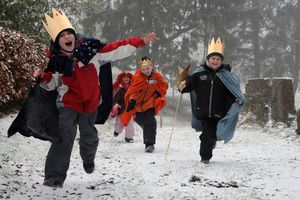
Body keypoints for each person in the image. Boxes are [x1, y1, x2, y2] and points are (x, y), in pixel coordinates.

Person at [33, 8, 157, 188]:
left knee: (89, 137)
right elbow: (52, 82)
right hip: (68, 104)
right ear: (56, 42)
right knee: (63, 137)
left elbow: (116, 49)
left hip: (91, 104)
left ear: (75, 36)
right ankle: (54, 177)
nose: (67, 37)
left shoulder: (91, 51)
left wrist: (138, 42)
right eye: (62, 36)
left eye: (69, 33)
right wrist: (42, 77)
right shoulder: (56, 61)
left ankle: (88, 160)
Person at [178, 37, 245, 164]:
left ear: (221, 61)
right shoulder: (199, 74)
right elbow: (189, 85)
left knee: (212, 134)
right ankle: (205, 157)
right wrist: (182, 86)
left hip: (219, 111)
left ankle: (209, 141)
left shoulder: (226, 76)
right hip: (202, 110)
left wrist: (237, 99)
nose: (215, 61)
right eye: (213, 58)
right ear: (208, 59)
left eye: (218, 59)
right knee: (208, 134)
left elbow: (232, 91)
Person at [120, 56, 168, 153]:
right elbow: (133, 90)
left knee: (150, 121)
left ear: (151, 66)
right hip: (137, 104)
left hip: (149, 102)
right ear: (140, 69)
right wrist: (132, 100)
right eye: (143, 69)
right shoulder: (137, 77)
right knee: (141, 120)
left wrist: (158, 92)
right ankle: (149, 129)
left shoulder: (157, 76)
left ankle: (149, 144)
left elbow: (164, 85)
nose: (146, 71)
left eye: (148, 68)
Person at [110, 71, 135, 142]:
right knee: (120, 123)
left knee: (129, 123)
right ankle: (117, 131)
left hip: (130, 108)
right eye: (124, 77)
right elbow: (115, 98)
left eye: (128, 77)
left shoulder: (132, 87)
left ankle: (129, 137)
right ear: (121, 78)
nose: (126, 79)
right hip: (121, 109)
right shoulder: (119, 88)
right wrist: (115, 104)